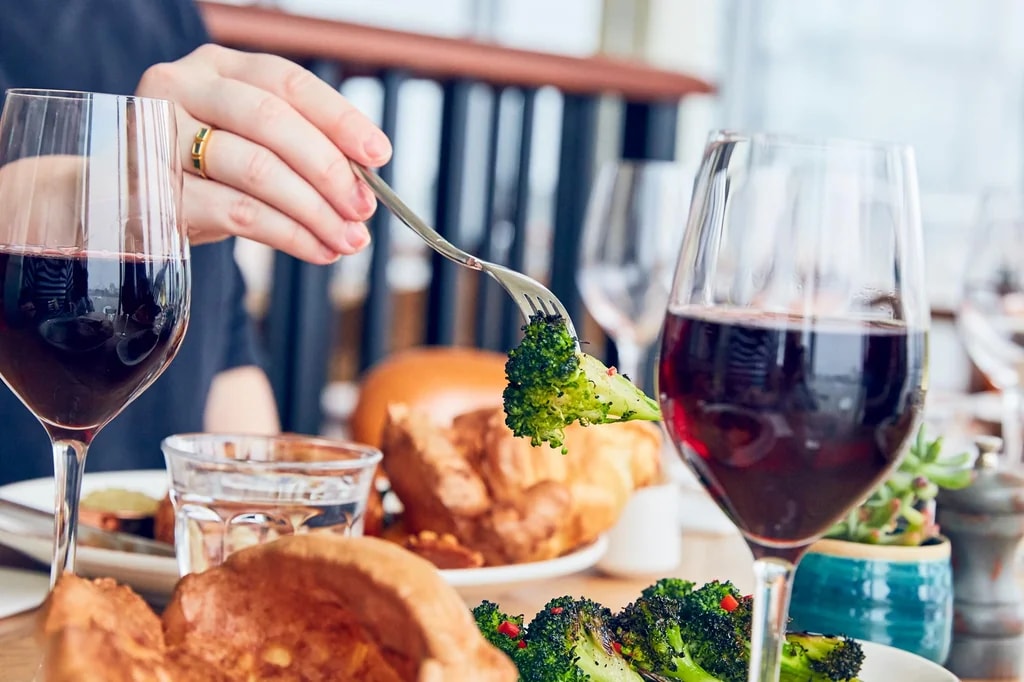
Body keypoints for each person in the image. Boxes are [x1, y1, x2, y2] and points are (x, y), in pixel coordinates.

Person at [0, 0, 391, 485]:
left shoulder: (169, 15)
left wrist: (262, 516)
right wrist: (77, 199)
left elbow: (225, 353)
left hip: (145, 527)